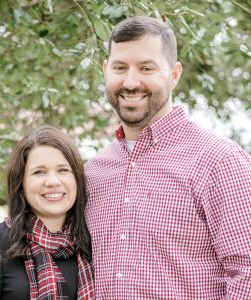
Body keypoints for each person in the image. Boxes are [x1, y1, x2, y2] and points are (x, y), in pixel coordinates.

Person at [85, 16, 251, 299]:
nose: (131, 81)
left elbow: (245, 272)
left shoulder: (219, 161)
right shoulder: (93, 172)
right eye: (120, 67)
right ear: (105, 71)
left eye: (146, 68)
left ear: (174, 74)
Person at [0, 125, 94, 299]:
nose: (52, 181)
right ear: (21, 184)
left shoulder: (92, 245)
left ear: (77, 179)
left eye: (63, 170)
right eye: (39, 172)